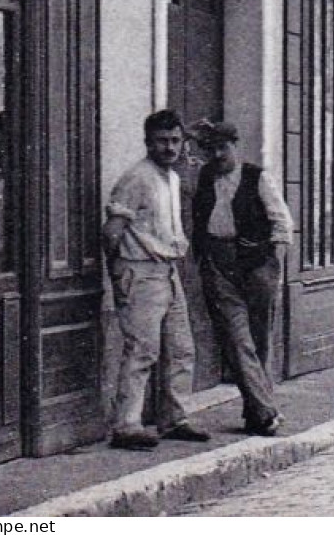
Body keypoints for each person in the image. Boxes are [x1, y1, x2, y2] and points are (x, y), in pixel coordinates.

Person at [103, 109, 207, 451]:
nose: (169, 148)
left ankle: (174, 418)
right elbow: (113, 231)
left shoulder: (172, 179)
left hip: (168, 272)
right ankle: (126, 425)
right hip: (141, 271)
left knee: (180, 348)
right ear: (148, 142)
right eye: (162, 141)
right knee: (142, 350)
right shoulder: (137, 177)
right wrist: (120, 276)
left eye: (175, 141)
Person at [190, 121, 292, 435]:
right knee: (237, 340)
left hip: (257, 265)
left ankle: (257, 412)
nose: (218, 154)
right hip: (219, 264)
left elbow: (282, 223)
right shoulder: (205, 176)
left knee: (259, 340)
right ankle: (265, 412)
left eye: (224, 147)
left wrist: (273, 266)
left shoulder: (257, 177)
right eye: (212, 149)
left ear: (236, 146)